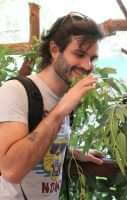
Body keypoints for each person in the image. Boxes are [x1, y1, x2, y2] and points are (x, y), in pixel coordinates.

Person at [0, 12, 104, 199]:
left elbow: (39, 145)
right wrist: (59, 112)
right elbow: (11, 170)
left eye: (92, 58)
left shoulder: (63, 97)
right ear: (54, 49)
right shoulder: (15, 91)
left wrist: (72, 153)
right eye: (79, 54)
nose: (88, 65)